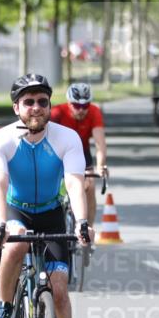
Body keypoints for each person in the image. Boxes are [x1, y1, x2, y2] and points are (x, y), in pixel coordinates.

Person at [0, 74, 94, 318]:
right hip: (16, 212)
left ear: (50, 106)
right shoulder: (1, 140)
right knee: (16, 242)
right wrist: (0, 224)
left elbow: (74, 183)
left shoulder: (67, 137)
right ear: (16, 107)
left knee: (59, 291)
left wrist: (83, 221)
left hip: (51, 212)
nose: (36, 108)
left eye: (42, 102)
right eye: (28, 102)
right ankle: (4, 308)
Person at [49, 83, 108, 227]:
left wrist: (100, 166)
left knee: (90, 186)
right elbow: (44, 138)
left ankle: (88, 231)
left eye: (85, 106)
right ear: (69, 103)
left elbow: (100, 143)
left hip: (81, 152)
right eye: (77, 106)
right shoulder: (57, 113)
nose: (81, 110)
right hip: (57, 153)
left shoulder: (94, 112)